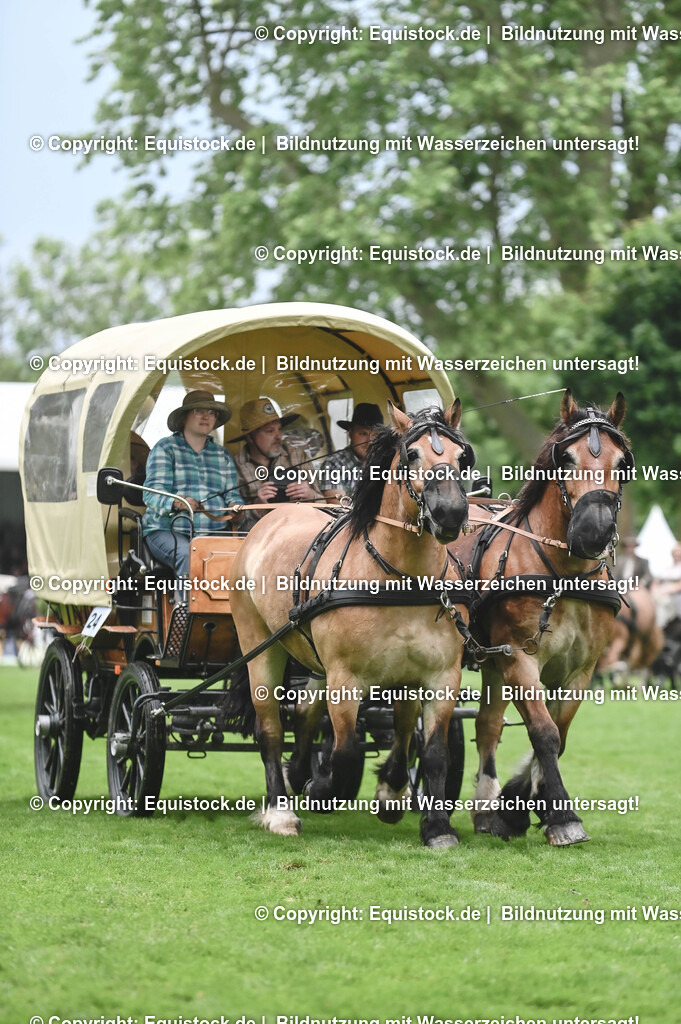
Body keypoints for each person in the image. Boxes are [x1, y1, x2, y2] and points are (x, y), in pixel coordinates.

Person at [142, 391, 243, 588]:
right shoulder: (165, 448)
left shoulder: (222, 455)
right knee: (188, 556)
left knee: (241, 557)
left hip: (213, 532)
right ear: (184, 417)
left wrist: (236, 507)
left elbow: (232, 494)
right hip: (167, 530)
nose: (206, 416)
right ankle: (184, 615)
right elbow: (152, 493)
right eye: (199, 411)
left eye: (212, 412)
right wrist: (177, 502)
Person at [232, 397, 323, 528]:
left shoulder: (298, 456)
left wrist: (310, 495)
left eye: (279, 429)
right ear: (250, 437)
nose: (278, 436)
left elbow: (324, 505)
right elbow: (235, 522)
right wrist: (259, 505)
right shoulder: (236, 467)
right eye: (270, 431)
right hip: (259, 540)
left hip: (300, 532)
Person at [321, 402, 384, 502]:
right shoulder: (334, 464)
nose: (370, 441)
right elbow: (340, 509)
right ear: (350, 433)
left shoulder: (386, 462)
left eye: (375, 435)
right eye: (363, 433)